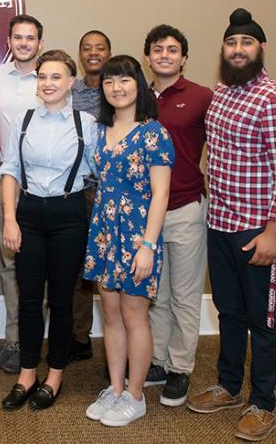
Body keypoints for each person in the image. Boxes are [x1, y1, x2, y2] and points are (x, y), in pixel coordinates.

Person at [187, 9, 276, 443]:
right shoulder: (222, 94)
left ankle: (263, 403)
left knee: (263, 318)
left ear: (261, 49)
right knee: (229, 312)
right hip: (220, 222)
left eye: (246, 43)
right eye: (232, 43)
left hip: (258, 230)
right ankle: (230, 387)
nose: (237, 50)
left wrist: (275, 232)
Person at [0, 50, 98, 411]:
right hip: (28, 214)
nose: (48, 83)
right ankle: (27, 374)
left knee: (61, 300)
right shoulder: (24, 120)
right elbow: (9, 170)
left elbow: (103, 171)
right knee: (28, 299)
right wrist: (10, 218)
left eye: (56, 77)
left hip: (69, 213)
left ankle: (54, 376)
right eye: (42, 76)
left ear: (71, 81)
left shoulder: (86, 124)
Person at [84, 55, 174, 427]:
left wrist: (148, 246)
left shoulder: (154, 132)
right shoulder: (99, 131)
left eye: (124, 80)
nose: (116, 88)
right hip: (105, 231)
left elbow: (161, 194)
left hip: (138, 234)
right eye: (109, 82)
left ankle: (136, 395)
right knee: (110, 314)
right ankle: (116, 388)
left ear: (138, 84)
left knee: (135, 315)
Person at [143, 25, 212, 406]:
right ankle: (156, 359)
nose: (165, 55)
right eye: (158, 49)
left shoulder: (202, 97)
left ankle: (180, 368)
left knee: (185, 294)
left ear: (183, 57)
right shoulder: (137, 97)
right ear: (148, 57)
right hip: (147, 212)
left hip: (185, 207)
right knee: (157, 293)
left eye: (172, 50)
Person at [0, 14, 44, 374]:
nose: (24, 43)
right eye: (18, 37)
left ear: (40, 42)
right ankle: (14, 339)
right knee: (10, 264)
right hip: (6, 177)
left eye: (31, 38)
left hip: (44, 182)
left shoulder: (52, 76)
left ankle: (34, 339)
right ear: (9, 41)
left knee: (41, 267)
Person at [68, 29, 113, 363]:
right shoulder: (72, 92)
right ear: (80, 54)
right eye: (87, 48)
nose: (93, 53)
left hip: (115, 192)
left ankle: (118, 347)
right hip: (82, 189)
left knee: (112, 269)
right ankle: (79, 337)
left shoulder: (120, 89)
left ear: (109, 53)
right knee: (79, 268)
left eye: (100, 48)